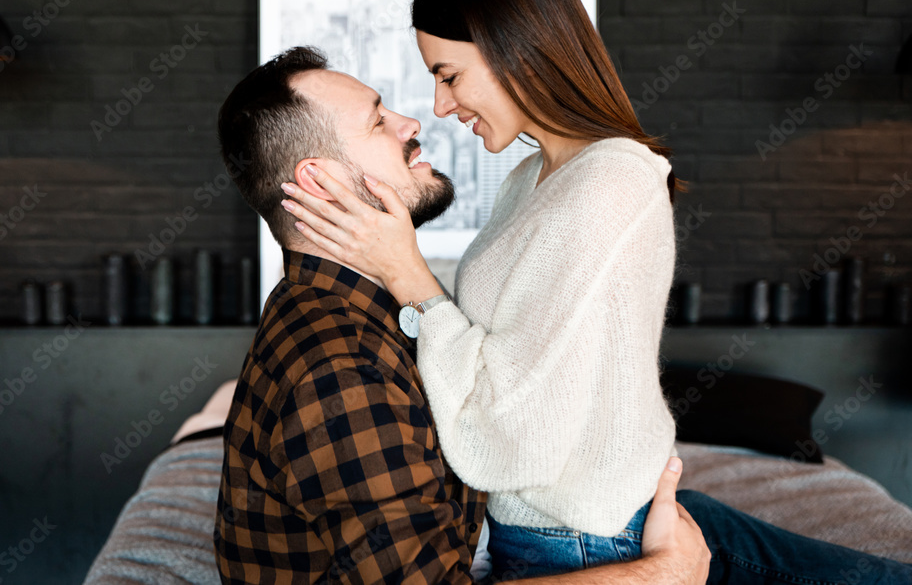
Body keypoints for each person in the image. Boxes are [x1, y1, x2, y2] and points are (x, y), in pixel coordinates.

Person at [280, 0, 912, 583]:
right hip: (586, 529)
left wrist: (405, 270)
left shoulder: (610, 183)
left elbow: (506, 441)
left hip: (589, 538)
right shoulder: (532, 179)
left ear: (513, 49)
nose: (442, 107)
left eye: (448, 76)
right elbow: (508, 364)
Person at [213, 46, 711, 584]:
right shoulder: (341, 369)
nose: (412, 123)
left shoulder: (348, 309)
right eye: (379, 121)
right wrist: (664, 573)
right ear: (319, 182)